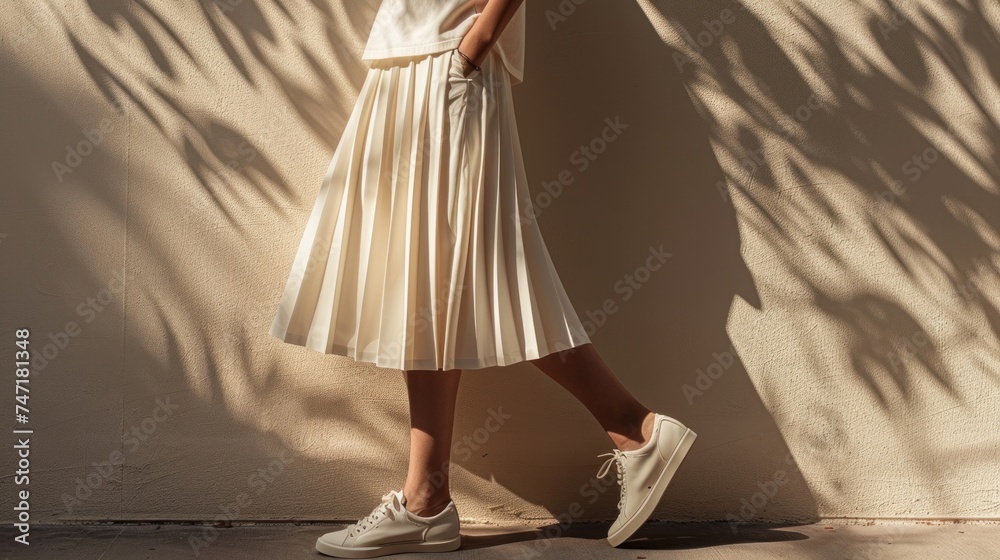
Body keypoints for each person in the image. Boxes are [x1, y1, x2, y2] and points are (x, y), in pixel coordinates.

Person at [267, 0, 697, 556]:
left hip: (448, 62)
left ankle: (634, 428)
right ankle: (427, 499)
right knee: (427, 277)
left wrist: (474, 46)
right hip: (411, 62)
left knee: (472, 273)